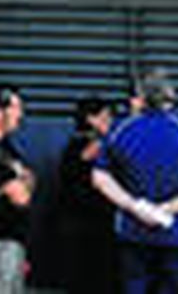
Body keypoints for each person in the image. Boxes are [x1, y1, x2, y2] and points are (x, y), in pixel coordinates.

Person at [93, 68, 178, 294]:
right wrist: (168, 209)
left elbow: (100, 177)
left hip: (133, 230)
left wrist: (134, 206)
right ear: (170, 97)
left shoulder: (121, 130)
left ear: (141, 98)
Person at [61, 96, 119, 293]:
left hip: (89, 224)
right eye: (104, 116)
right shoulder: (90, 145)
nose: (110, 121)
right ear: (90, 119)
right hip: (90, 225)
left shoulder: (74, 145)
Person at [0, 87, 33, 294]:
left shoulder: (7, 148)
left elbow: (31, 181)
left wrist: (22, 180)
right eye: (16, 108)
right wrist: (22, 179)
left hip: (12, 243)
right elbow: (23, 197)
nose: (21, 114)